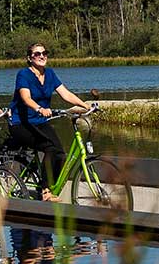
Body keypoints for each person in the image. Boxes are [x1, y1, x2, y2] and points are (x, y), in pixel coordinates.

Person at [7, 43, 95, 199]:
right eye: (37, 54)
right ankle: (45, 190)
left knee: (60, 154)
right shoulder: (23, 75)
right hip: (21, 123)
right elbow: (26, 98)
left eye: (44, 53)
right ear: (29, 58)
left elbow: (65, 94)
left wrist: (85, 105)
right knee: (49, 147)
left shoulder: (50, 74)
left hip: (39, 122)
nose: (42, 56)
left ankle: (50, 185)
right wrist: (40, 109)